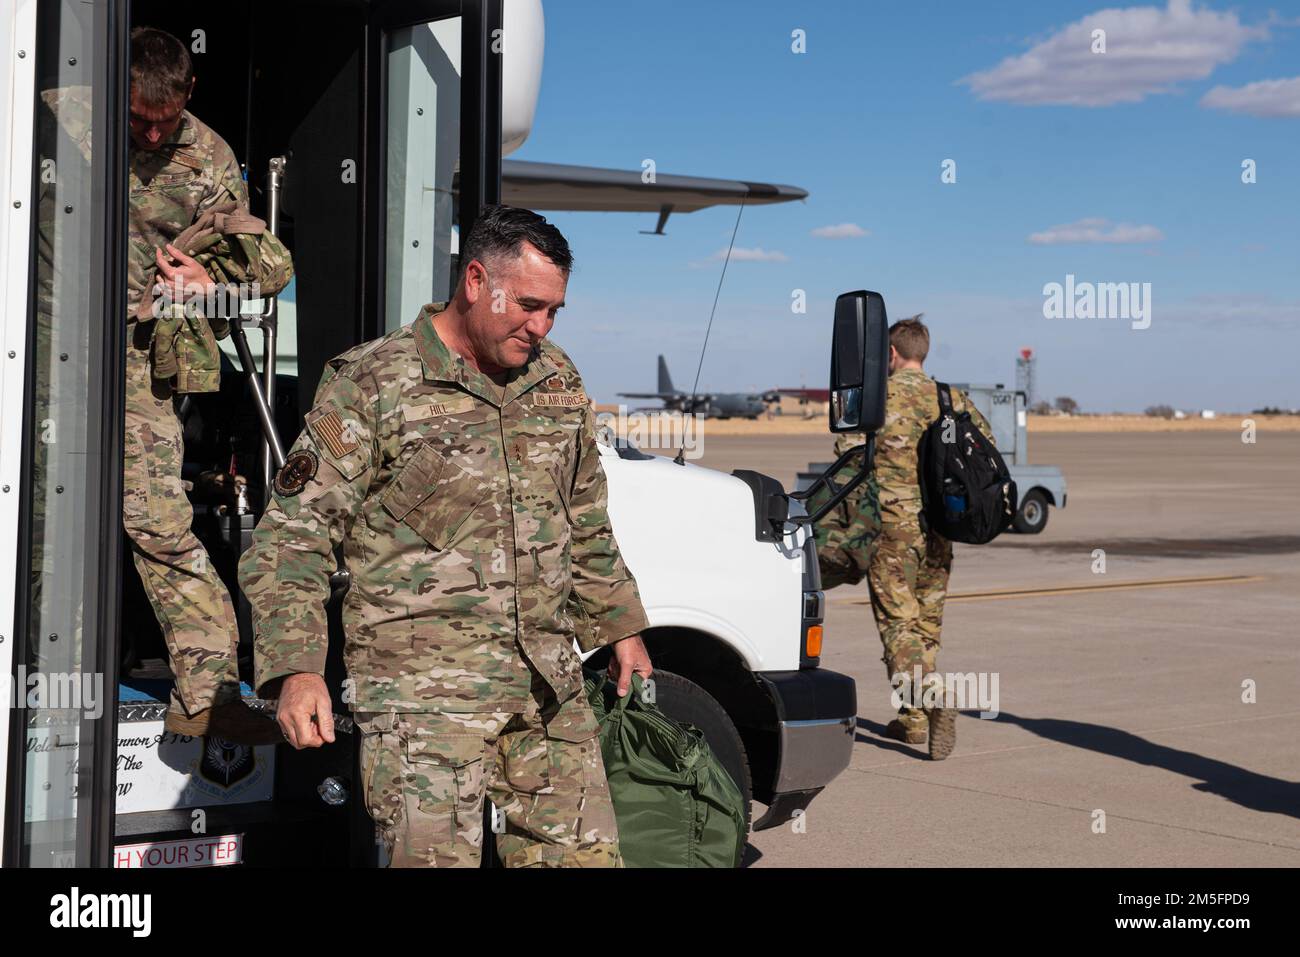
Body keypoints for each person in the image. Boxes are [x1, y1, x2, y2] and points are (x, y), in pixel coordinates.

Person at [238, 205, 653, 867]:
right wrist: (298, 669)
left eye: (554, 311)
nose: (540, 327)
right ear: (475, 281)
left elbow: (585, 518)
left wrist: (621, 626)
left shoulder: (556, 379)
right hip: (422, 702)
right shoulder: (372, 385)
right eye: (528, 305)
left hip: (546, 686)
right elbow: (292, 538)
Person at [124, 27, 287, 744]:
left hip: (138, 364)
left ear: (190, 93)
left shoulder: (210, 157)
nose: (153, 133)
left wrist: (209, 283)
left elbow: (264, 269)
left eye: (165, 118)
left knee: (157, 518)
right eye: (137, 119)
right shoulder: (57, 115)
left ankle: (209, 689)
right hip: (41, 346)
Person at [834, 315, 995, 760]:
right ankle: (913, 721)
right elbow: (985, 449)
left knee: (899, 625)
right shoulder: (951, 398)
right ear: (923, 351)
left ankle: (929, 693)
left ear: (890, 354)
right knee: (926, 625)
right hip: (941, 529)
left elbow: (846, 460)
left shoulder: (876, 399)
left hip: (891, 531)